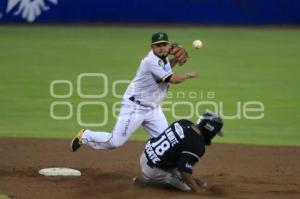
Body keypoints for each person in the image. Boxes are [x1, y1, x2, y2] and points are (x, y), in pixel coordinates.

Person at [71, 32, 198, 152]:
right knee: (115, 142)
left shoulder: (161, 59)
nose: (161, 48)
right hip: (135, 107)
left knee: (168, 143)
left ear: (169, 46)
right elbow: (173, 79)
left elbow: (165, 69)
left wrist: (175, 59)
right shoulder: (151, 60)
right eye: (158, 46)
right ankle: (85, 136)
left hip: (153, 109)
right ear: (152, 47)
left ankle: (168, 173)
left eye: (164, 45)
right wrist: (188, 74)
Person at [133, 112, 224, 194]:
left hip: (145, 155)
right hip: (154, 170)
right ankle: (146, 180)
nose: (214, 135)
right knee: (188, 188)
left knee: (177, 157)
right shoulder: (197, 144)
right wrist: (197, 190)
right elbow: (183, 170)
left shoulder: (184, 122)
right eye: (214, 133)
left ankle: (151, 175)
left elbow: (175, 148)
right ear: (210, 130)